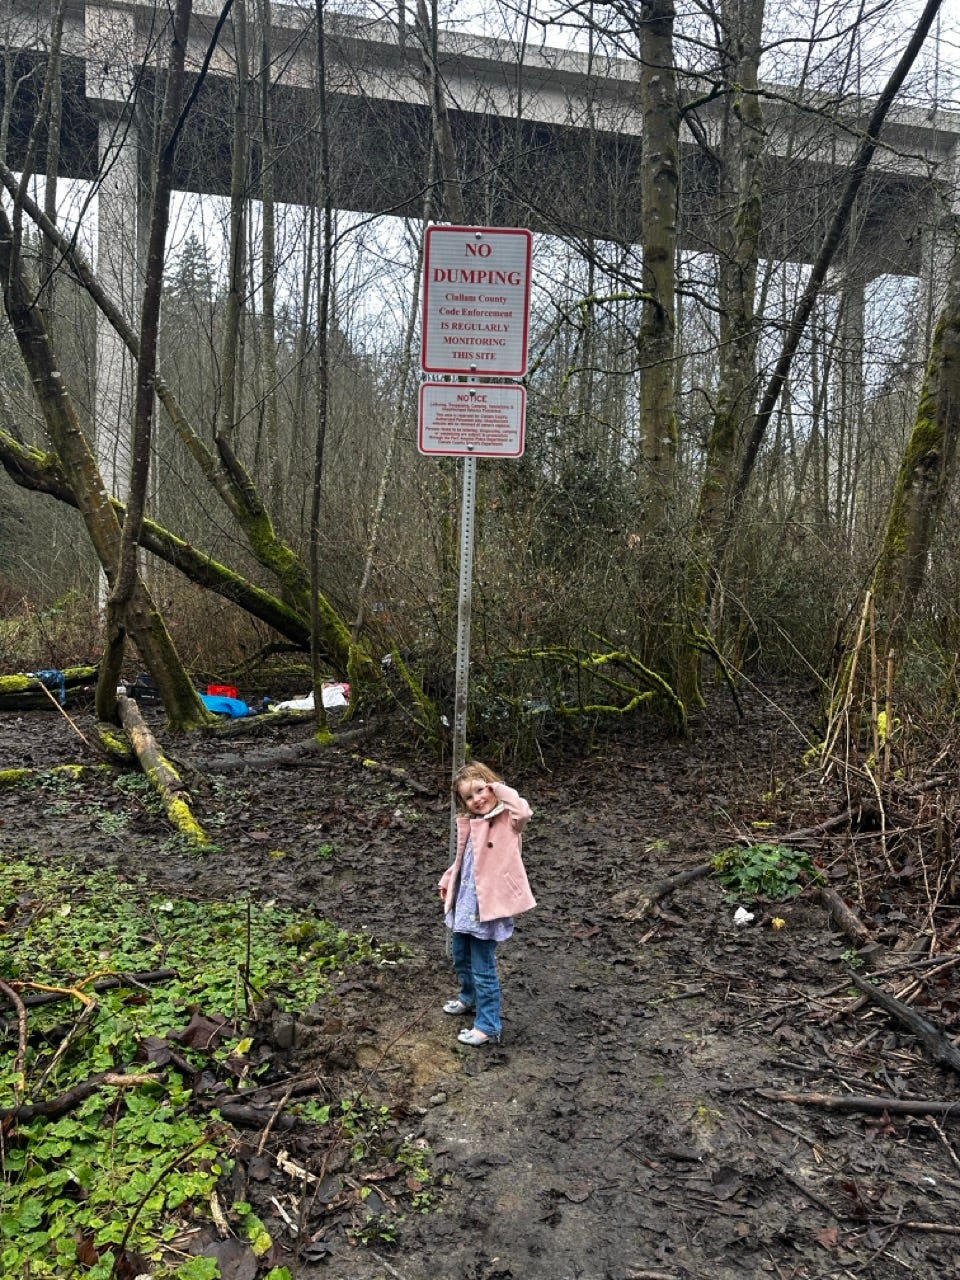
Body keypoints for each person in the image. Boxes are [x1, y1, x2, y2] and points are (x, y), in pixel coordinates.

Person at [438, 761, 535, 1046]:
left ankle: (488, 1025)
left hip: (486, 909)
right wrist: (448, 879)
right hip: (465, 904)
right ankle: (468, 998)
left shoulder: (508, 820)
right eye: (469, 797)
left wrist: (499, 789)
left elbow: (524, 811)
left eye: (481, 790)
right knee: (461, 957)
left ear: (492, 786)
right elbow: (465, 860)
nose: (477, 799)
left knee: (483, 967)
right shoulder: (473, 823)